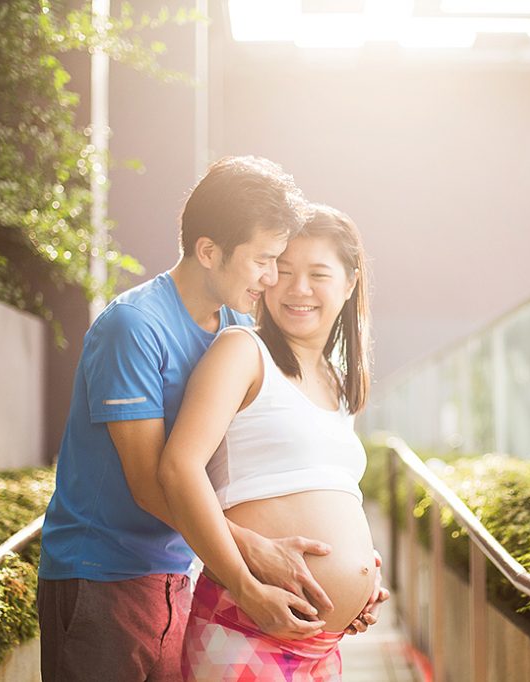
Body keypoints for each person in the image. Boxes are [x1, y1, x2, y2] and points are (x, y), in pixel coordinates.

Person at [36, 157, 378, 682]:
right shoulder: (134, 326)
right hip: (102, 574)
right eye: (267, 261)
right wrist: (253, 557)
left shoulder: (236, 324)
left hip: (178, 570)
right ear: (209, 252)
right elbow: (155, 482)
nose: (273, 280)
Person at [158, 204, 383, 680]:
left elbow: (324, 491)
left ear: (349, 283)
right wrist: (247, 587)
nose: (298, 288)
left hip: (323, 646)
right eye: (283, 271)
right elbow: (178, 468)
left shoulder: (341, 385)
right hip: (248, 627)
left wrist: (365, 574)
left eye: (318, 274)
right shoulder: (242, 351)